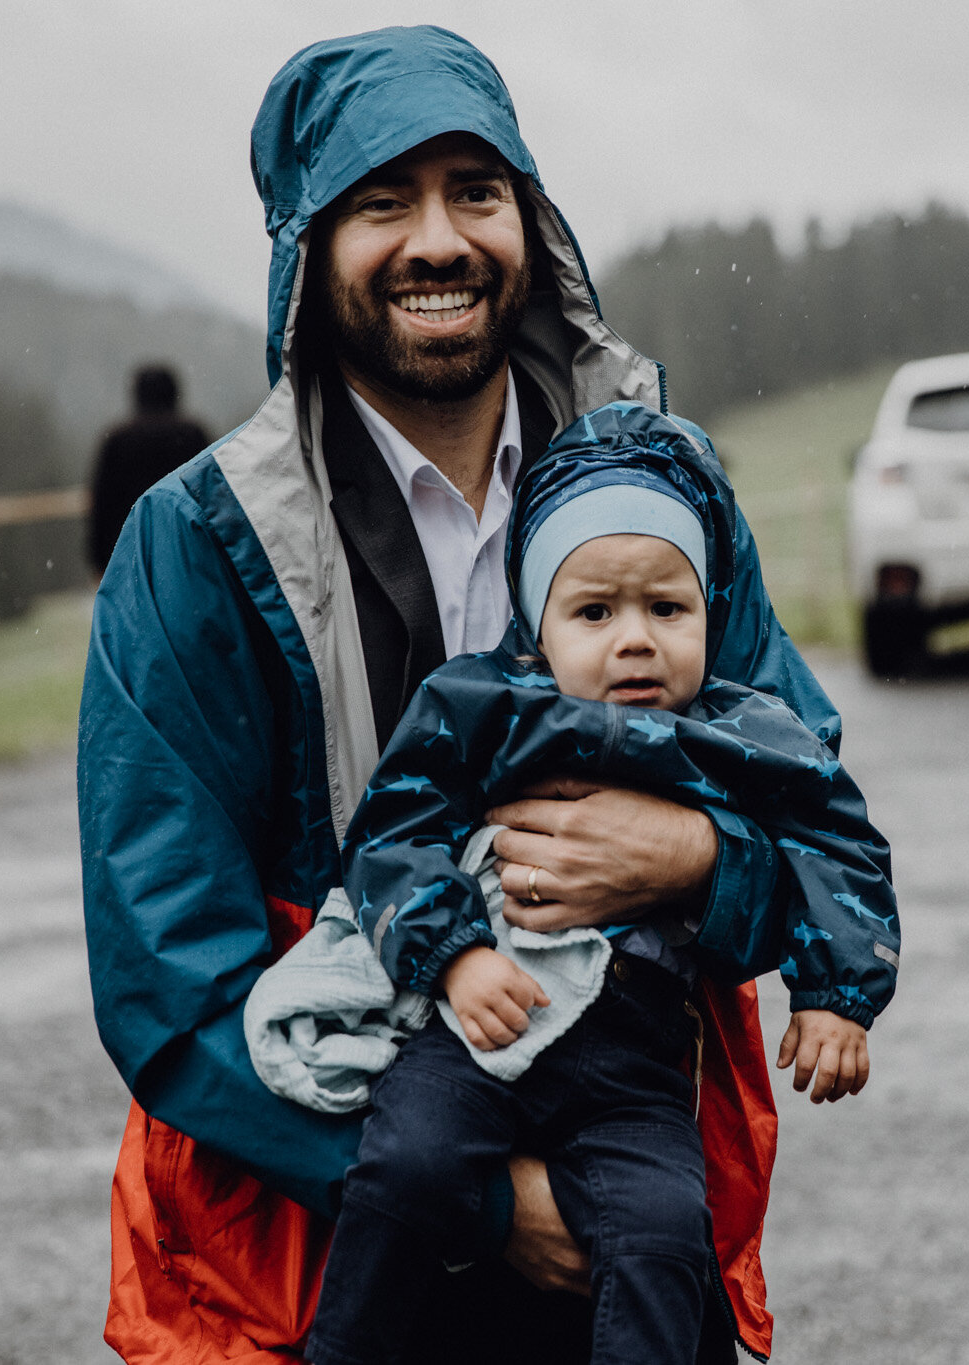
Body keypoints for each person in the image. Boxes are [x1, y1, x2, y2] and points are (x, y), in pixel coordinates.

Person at [79, 26, 840, 1365]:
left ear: (532, 225)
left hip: (631, 1237)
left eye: (475, 193)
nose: (439, 240)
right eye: (382, 202)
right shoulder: (196, 548)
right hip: (323, 1252)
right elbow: (168, 980)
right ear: (306, 251)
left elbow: (812, 806)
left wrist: (697, 855)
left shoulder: (664, 495)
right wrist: (490, 1204)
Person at [242, 404, 898, 1365]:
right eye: (595, 611)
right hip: (484, 1025)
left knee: (668, 1230)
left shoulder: (748, 731)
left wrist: (838, 994)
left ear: (711, 615)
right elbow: (394, 828)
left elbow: (840, 845)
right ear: (536, 625)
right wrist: (453, 955)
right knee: (408, 1164)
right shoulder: (486, 704)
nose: (635, 640)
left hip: (636, 1061)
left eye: (667, 610)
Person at [86, 364, 209, 575]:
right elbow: (212, 496)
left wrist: (99, 559)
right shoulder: (193, 436)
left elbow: (102, 505)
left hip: (131, 556)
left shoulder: (117, 441)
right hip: (188, 555)